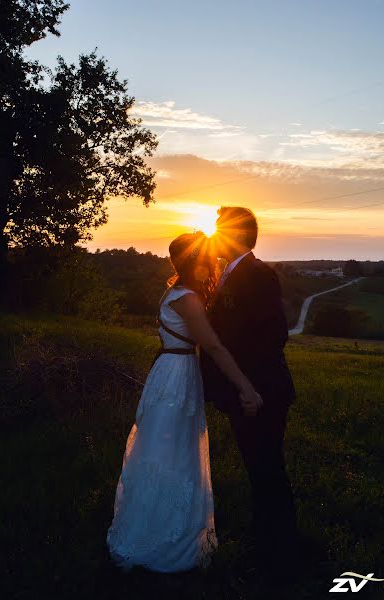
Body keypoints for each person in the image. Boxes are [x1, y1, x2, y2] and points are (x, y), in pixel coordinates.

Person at [106, 231, 261, 573]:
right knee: (169, 450)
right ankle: (159, 537)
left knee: (171, 447)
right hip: (176, 375)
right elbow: (215, 347)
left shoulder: (176, 290)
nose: (213, 262)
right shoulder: (187, 298)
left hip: (173, 370)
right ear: (195, 260)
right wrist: (245, 386)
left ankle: (162, 523)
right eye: (207, 257)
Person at [200, 206, 298, 576]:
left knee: (268, 468)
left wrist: (248, 388)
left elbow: (273, 335)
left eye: (218, 229)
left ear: (235, 234)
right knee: (258, 468)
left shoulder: (258, 275)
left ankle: (281, 551)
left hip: (262, 393)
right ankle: (268, 540)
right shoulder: (228, 273)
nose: (213, 236)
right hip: (243, 393)